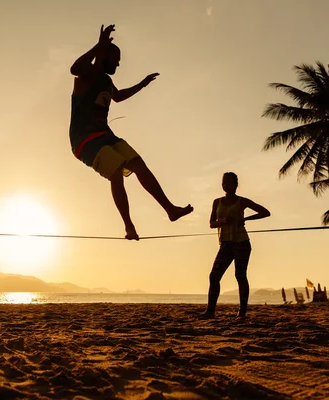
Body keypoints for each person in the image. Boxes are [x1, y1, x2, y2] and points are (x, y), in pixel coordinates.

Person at [69, 24, 193, 240]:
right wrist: (99, 46)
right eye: (115, 58)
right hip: (84, 140)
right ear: (104, 56)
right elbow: (75, 68)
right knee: (116, 170)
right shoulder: (87, 76)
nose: (118, 62)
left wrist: (142, 84)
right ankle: (129, 226)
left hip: (105, 134)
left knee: (138, 163)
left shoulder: (106, 81)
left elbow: (118, 96)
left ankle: (170, 210)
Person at [202, 172, 271, 321]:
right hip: (225, 244)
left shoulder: (242, 201)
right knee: (214, 276)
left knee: (240, 275)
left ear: (235, 185)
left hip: (241, 243)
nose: (225, 185)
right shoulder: (217, 202)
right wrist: (223, 221)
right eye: (223, 183)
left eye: (228, 182)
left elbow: (265, 212)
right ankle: (210, 311)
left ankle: (242, 312)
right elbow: (211, 224)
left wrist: (245, 218)